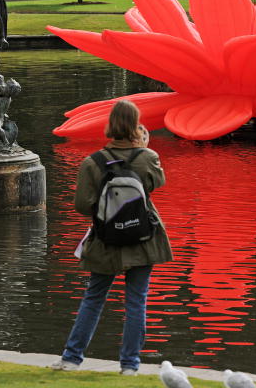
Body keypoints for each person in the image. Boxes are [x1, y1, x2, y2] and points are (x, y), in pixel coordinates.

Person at [51, 99, 173, 375]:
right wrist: (144, 147)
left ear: (110, 124)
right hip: (143, 239)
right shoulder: (147, 157)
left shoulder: (92, 162)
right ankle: (129, 366)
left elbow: (82, 206)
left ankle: (72, 358)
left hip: (105, 241)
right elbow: (158, 183)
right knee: (136, 301)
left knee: (93, 298)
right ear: (135, 126)